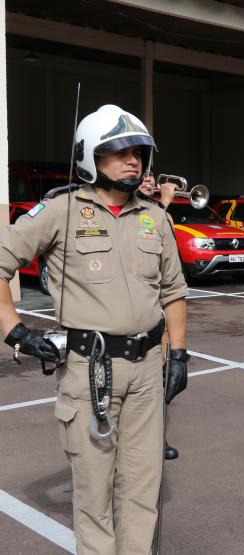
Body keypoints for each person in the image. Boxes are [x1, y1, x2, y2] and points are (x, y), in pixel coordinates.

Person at [0, 104, 188, 554]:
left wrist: (179, 355)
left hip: (148, 371)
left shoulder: (154, 217)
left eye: (139, 152)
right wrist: (16, 331)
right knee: (94, 495)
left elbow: (174, 291)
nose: (133, 161)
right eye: (120, 151)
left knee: (143, 490)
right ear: (89, 155)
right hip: (89, 371)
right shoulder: (60, 210)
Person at [140, 171, 181, 461]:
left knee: (160, 379)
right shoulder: (145, 212)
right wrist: (164, 202)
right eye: (143, 177)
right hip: (133, 313)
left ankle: (157, 439)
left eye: (151, 177)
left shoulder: (156, 213)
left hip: (157, 311)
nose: (149, 181)